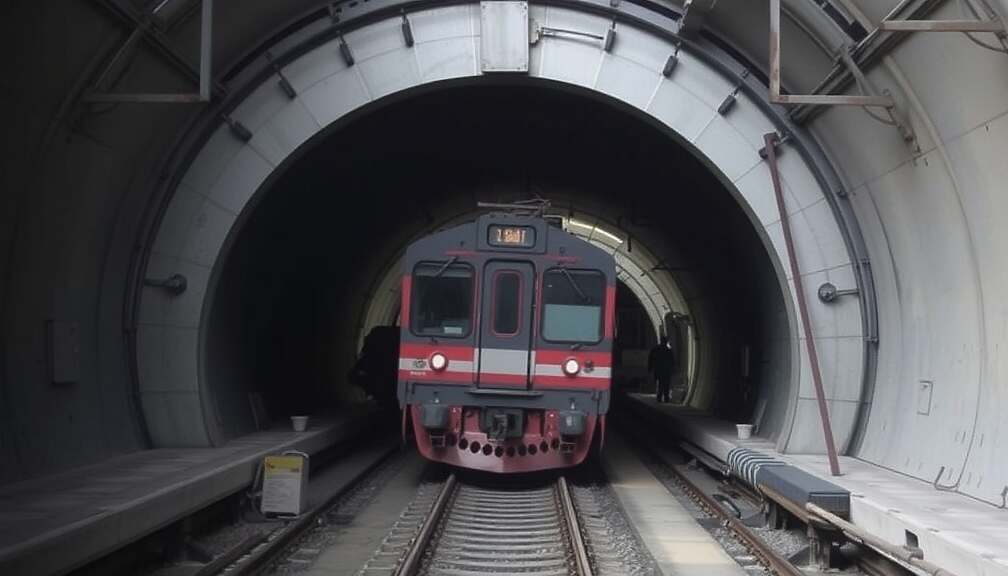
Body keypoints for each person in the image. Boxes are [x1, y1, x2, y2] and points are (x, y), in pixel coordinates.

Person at [647, 335, 677, 403]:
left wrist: (650, 368)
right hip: (666, 371)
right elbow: (672, 361)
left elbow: (650, 359)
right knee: (666, 385)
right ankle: (666, 398)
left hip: (658, 370)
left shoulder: (655, 349)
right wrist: (673, 369)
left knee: (660, 384)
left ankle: (659, 398)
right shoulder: (668, 351)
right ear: (666, 342)